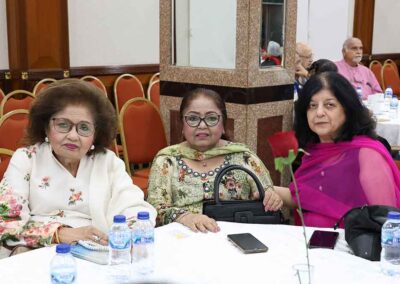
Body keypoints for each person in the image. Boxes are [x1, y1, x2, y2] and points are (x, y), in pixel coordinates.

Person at [0, 79, 156, 257]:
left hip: (96, 251)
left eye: (84, 128)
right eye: (63, 125)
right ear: (45, 127)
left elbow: (132, 204)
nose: (73, 136)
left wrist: (131, 230)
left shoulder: (107, 161)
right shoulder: (27, 159)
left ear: (95, 134)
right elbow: (6, 223)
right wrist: (60, 234)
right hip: (38, 250)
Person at [147, 88, 283, 233]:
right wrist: (187, 217)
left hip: (237, 238)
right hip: (183, 240)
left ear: (223, 125)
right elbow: (155, 209)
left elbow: (266, 194)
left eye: (211, 118)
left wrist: (271, 198)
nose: (202, 125)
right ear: (182, 125)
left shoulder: (244, 157)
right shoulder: (167, 160)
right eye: (193, 118)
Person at [276, 72, 400, 228]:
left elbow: (388, 223)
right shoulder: (315, 151)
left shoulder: (366, 154)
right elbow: (304, 196)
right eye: (312, 106)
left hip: (356, 249)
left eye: (330, 105)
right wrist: (263, 189)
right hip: (316, 246)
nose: (319, 113)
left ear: (347, 109)